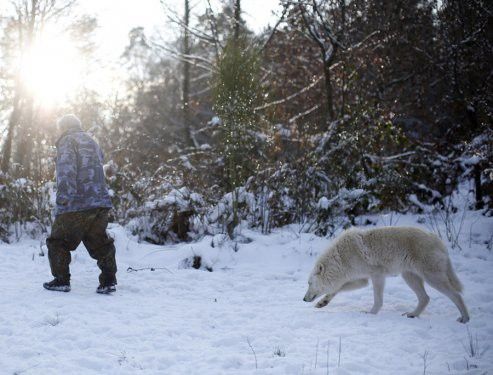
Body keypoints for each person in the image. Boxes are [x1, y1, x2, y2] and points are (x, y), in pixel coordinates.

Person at [43, 114, 117, 294]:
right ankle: (108, 281)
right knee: (100, 242)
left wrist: (64, 199)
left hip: (76, 202)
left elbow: (66, 171)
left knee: (58, 241)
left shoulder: (67, 141)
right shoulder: (92, 141)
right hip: (99, 201)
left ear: (64, 127)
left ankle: (61, 280)